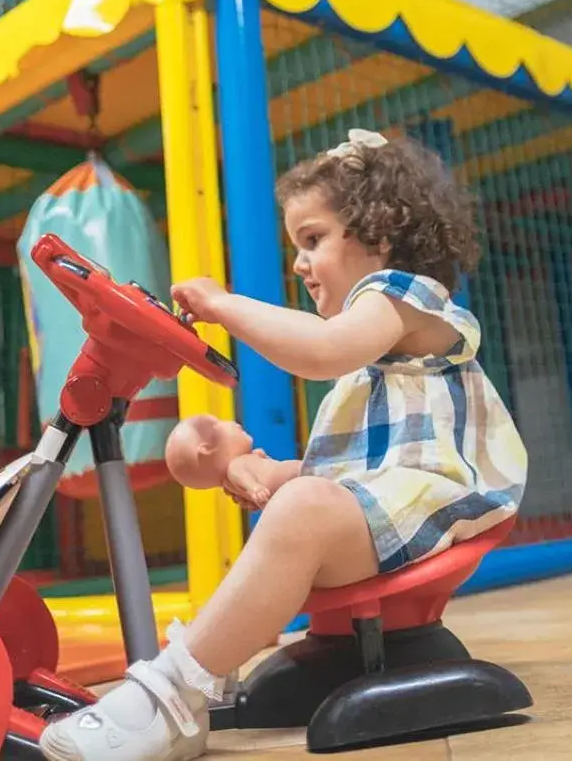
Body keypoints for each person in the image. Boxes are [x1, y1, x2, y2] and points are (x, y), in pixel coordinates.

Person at [41, 129, 528, 761]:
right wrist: (245, 465)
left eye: (314, 240)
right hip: (392, 502)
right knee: (241, 469)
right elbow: (354, 470)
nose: (299, 264)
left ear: (379, 235)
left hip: (441, 499)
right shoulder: (371, 359)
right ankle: (201, 667)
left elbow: (322, 354)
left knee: (302, 506)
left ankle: (169, 693)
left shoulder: (404, 299)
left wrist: (224, 305)